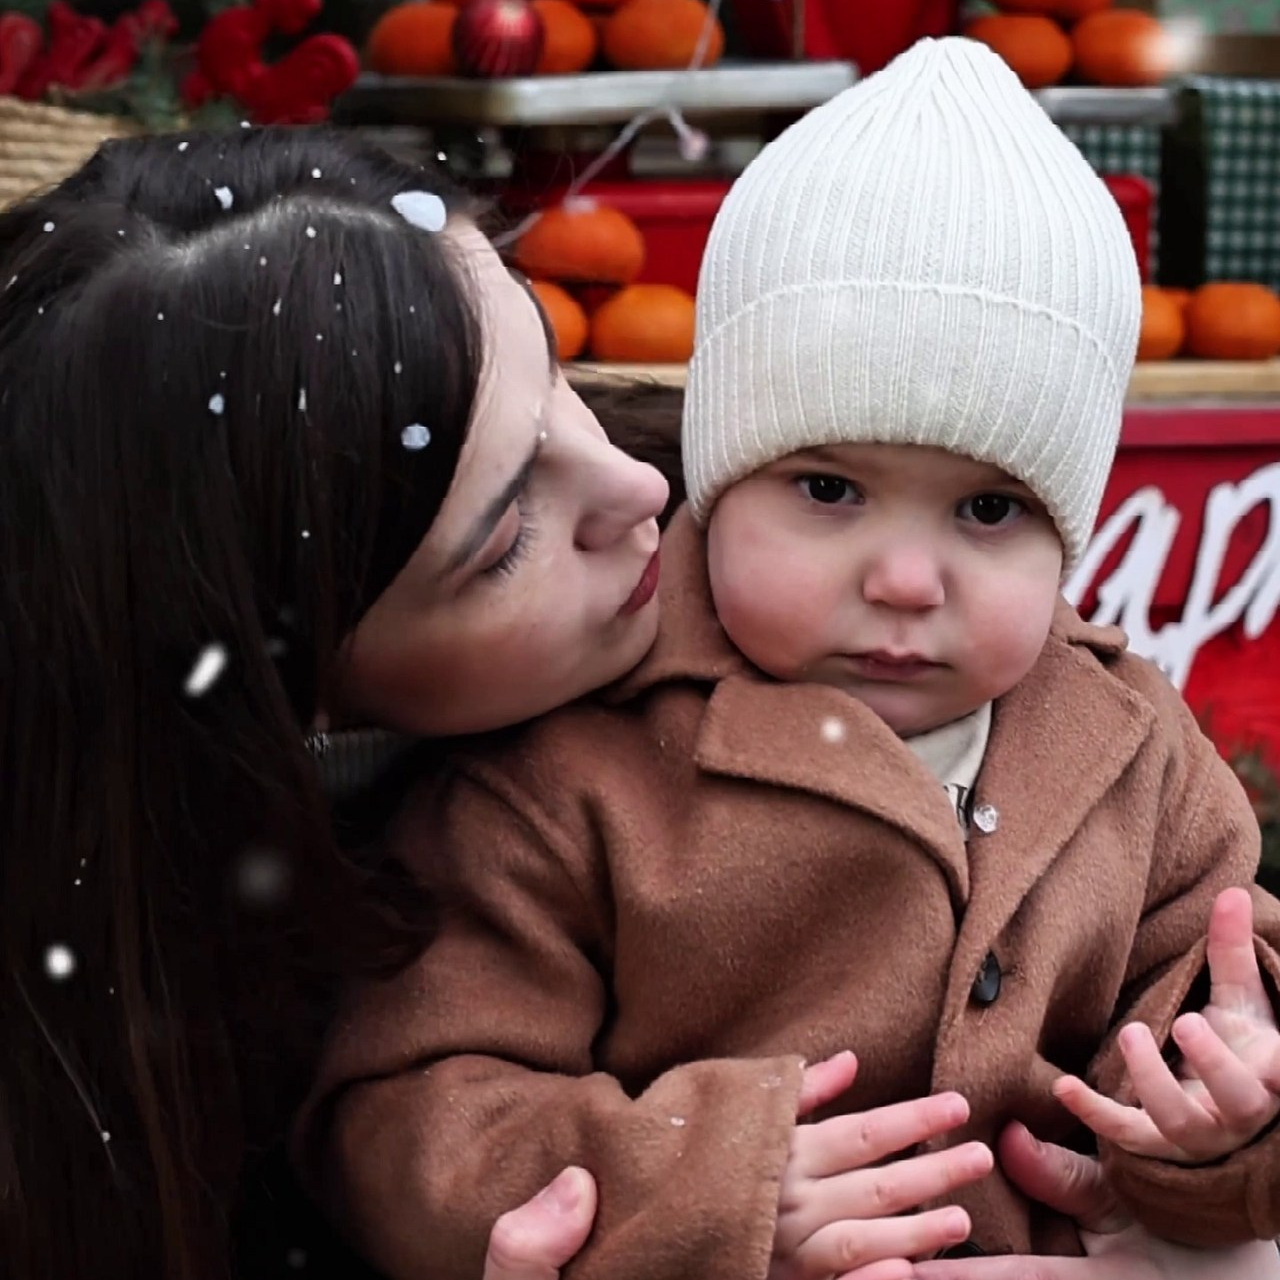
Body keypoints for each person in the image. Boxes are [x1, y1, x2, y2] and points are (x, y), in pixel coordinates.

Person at [300, 37, 1280, 1280]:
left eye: (987, 511)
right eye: (828, 487)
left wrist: (1226, 1111)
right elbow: (406, 1109)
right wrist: (705, 1181)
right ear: (716, 476)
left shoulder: (1132, 751)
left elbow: (1215, 985)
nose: (905, 579)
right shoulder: (574, 766)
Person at [0, 126, 671, 1280]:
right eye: (506, 537)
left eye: (554, 363)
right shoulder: (119, 1085)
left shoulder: (801, 551)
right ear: (286, 692)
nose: (639, 482)